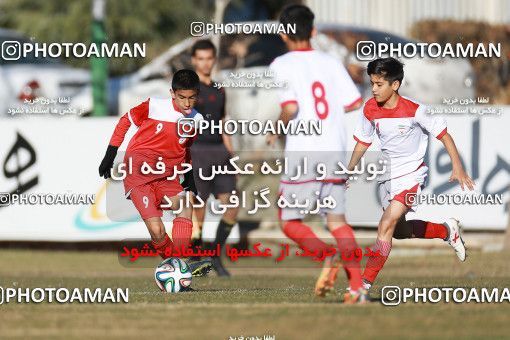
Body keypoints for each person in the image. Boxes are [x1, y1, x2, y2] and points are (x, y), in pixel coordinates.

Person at [267, 4, 367, 303]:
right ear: (312, 31)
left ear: (284, 34)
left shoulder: (281, 65)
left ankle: (326, 255)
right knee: (338, 222)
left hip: (304, 152)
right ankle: (357, 289)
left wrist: (275, 128)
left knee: (288, 222)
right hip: (333, 149)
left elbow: (291, 107)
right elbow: (352, 103)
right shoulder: (331, 62)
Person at [347, 57, 474, 291]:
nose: (373, 89)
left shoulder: (415, 110)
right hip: (388, 178)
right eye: (372, 83)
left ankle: (362, 285)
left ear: (395, 85)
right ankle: (447, 230)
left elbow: (444, 135)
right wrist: (348, 171)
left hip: (412, 177)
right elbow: (363, 142)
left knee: (385, 224)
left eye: (379, 84)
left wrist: (457, 167)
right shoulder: (370, 108)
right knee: (400, 231)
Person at [98, 69, 212, 277]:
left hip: (167, 175)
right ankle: (179, 267)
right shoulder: (154, 106)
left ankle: (180, 266)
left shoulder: (197, 120)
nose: (187, 104)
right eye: (181, 98)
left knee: (185, 206)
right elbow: (125, 121)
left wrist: (189, 176)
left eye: (192, 98)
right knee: (158, 232)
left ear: (197, 94)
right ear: (172, 93)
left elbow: (187, 149)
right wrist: (110, 153)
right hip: (139, 172)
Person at [189, 39, 238, 277]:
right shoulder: (189, 90)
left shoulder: (219, 89)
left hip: (220, 152)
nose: (205, 63)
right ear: (193, 61)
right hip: (197, 152)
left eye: (209, 58)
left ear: (214, 60)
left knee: (232, 206)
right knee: (199, 207)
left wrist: (230, 151)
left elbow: (222, 121)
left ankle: (215, 255)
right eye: (200, 58)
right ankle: (195, 258)